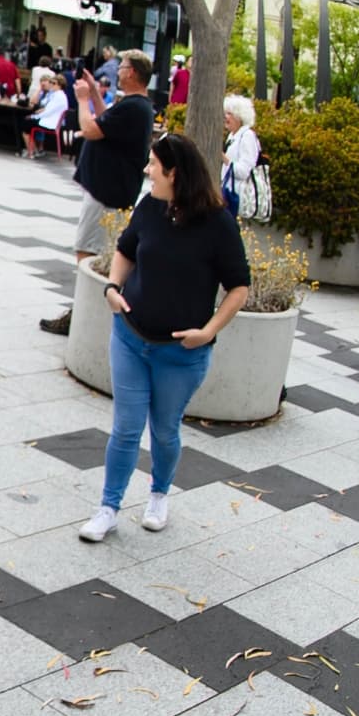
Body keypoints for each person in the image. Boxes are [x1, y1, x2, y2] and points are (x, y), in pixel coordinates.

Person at [81, 134, 250, 543]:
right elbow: (126, 248)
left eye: (153, 164)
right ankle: (109, 507)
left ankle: (158, 495)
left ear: (174, 172)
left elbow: (239, 287)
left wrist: (208, 331)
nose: (147, 170)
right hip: (130, 338)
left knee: (163, 430)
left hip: (181, 353)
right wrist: (112, 288)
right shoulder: (150, 206)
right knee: (125, 428)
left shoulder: (217, 222)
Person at [42, 51, 156, 336]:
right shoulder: (135, 106)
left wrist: (81, 100)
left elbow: (92, 129)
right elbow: (107, 120)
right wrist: (93, 93)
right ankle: (83, 310)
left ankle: (81, 312)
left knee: (87, 251)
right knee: (94, 249)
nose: (118, 72)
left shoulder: (135, 107)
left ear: (132, 73)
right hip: (108, 191)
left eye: (123, 67)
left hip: (107, 194)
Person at [221, 94, 265, 220]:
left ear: (239, 117)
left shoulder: (247, 136)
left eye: (229, 114)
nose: (225, 117)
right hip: (227, 194)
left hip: (237, 198)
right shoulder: (232, 136)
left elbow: (243, 171)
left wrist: (223, 157)